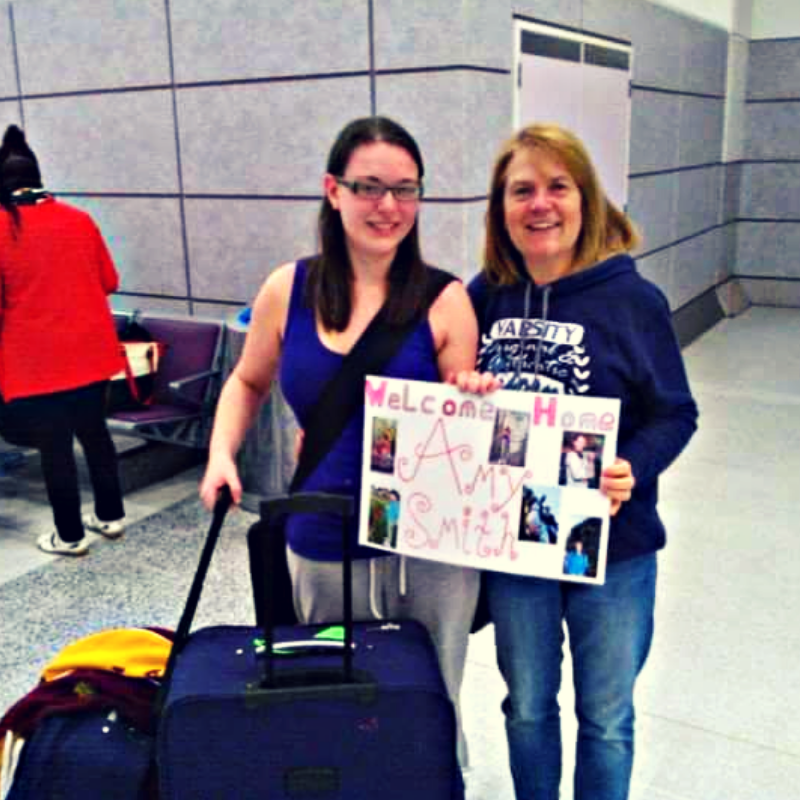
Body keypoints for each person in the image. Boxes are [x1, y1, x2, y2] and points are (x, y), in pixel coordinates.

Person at [199, 116, 481, 766]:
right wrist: (220, 456)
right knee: (331, 696)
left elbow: (461, 423)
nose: (389, 207)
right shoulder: (287, 289)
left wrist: (474, 399)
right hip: (323, 534)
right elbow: (246, 382)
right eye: (370, 187)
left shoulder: (446, 300)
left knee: (430, 694)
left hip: (429, 545)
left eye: (407, 190)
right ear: (333, 190)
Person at [454, 123, 698, 799]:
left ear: (585, 198)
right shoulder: (486, 296)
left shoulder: (631, 300)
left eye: (557, 186)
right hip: (517, 549)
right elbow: (445, 385)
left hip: (613, 550)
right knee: (527, 706)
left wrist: (633, 466)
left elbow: (676, 411)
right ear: (500, 208)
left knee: (607, 717)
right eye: (521, 190)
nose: (541, 204)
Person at [0, 125, 127, 556]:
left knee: (55, 449)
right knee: (96, 436)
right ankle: (111, 517)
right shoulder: (79, 219)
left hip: (37, 364)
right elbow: (110, 281)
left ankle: (69, 536)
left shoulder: (0, 229)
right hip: (91, 354)